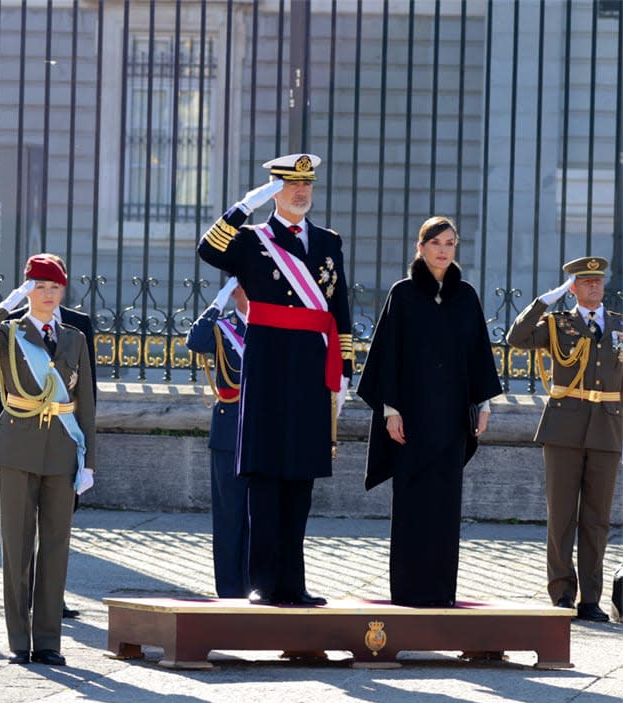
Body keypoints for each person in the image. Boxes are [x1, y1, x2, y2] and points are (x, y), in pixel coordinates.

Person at [198, 153, 353, 606]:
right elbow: (208, 251)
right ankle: (265, 583)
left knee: (300, 477)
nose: (301, 192)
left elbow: (338, 305)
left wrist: (342, 366)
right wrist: (243, 207)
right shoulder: (251, 240)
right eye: (291, 186)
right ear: (274, 191)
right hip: (267, 362)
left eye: (307, 185)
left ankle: (294, 583)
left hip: (309, 363)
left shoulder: (327, 241)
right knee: (265, 475)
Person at [356, 216, 502, 607]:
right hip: (411, 420)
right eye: (435, 242)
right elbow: (387, 357)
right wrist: (390, 410)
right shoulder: (402, 294)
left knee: (444, 505)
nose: (443, 249)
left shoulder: (466, 295)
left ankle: (441, 593)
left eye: (450, 243)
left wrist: (482, 404)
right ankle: (407, 591)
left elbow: (477, 357)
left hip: (452, 421)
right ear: (420, 247)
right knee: (411, 504)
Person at [0, 254, 96, 665]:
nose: (49, 294)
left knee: (56, 548)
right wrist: (7, 303)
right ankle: (20, 641)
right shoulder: (9, 333)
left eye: (55, 287)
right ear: (28, 290)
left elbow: (85, 402)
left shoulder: (74, 337)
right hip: (17, 448)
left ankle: (49, 641)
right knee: (17, 548)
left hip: (61, 450)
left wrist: (88, 461)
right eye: (40, 286)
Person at [507, 256, 622, 622]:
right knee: (561, 516)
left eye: (598, 281)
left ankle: (591, 598)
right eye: (585, 282)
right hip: (564, 430)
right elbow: (516, 338)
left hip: (606, 428)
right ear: (572, 287)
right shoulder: (558, 325)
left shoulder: (619, 326)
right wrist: (543, 302)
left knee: (597, 519)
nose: (593, 286)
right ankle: (562, 593)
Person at [186, 276, 250, 598]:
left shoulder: (272, 327)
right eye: (246, 286)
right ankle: (229, 592)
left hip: (263, 430)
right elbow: (195, 341)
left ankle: (256, 587)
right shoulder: (223, 328)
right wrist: (218, 301)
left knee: (259, 515)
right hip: (229, 428)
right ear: (236, 290)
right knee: (229, 516)